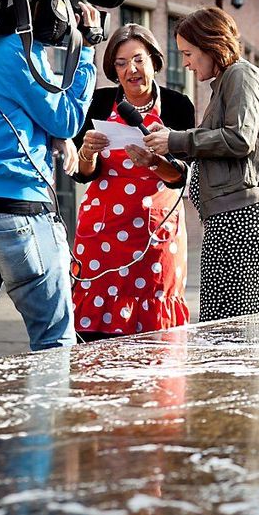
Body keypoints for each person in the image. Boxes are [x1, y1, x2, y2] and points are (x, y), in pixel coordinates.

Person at [143, 7, 259, 320]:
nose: (185, 62)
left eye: (189, 53)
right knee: (230, 321)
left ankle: (247, 370)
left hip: (243, 217)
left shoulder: (241, 75)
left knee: (236, 323)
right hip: (233, 215)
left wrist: (175, 140)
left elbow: (239, 139)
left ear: (211, 45)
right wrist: (173, 140)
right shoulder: (229, 81)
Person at [0, 3, 101, 355]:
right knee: (54, 342)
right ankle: (46, 412)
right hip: (19, 210)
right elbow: (64, 119)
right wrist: (87, 47)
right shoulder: (17, 50)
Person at [70, 24, 195, 340]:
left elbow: (180, 176)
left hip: (156, 235)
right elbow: (83, 173)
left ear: (154, 61)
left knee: (154, 336)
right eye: (121, 63)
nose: (131, 70)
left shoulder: (179, 105)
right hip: (102, 234)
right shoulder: (97, 103)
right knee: (95, 334)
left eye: (138, 60)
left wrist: (153, 162)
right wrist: (86, 151)